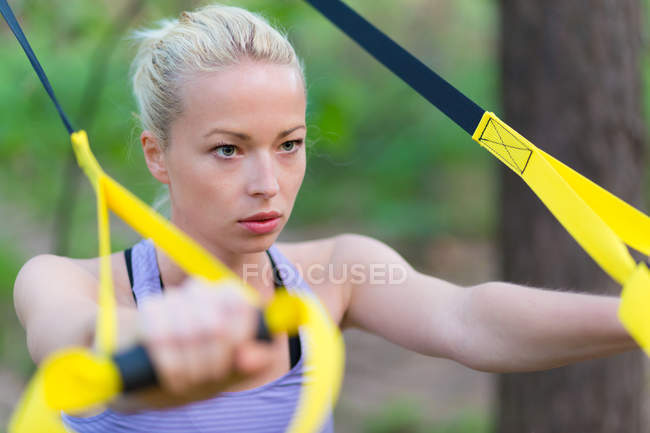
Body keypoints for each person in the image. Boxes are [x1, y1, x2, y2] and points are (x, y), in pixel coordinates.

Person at [12, 3, 639, 433]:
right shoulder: (66, 280)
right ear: (158, 155)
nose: (267, 185)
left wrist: (631, 317)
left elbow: (468, 317)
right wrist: (153, 350)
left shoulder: (339, 273)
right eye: (227, 149)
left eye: (289, 144)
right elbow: (74, 342)